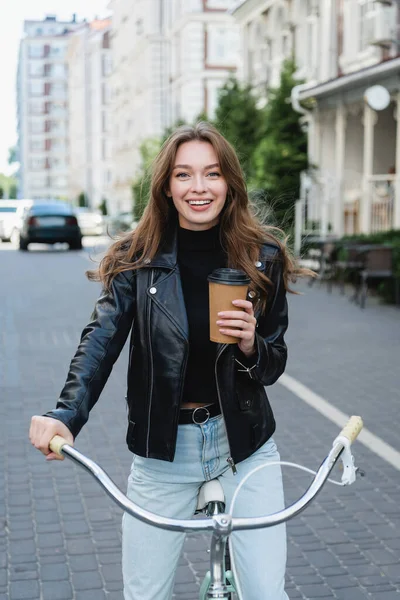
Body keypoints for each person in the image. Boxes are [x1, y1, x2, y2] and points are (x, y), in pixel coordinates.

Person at [29, 122, 301, 600]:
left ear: (229, 183)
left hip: (245, 445)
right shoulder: (137, 257)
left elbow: (273, 364)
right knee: (145, 593)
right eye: (184, 175)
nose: (199, 188)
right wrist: (64, 415)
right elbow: (101, 340)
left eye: (212, 174)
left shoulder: (262, 257)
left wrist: (251, 346)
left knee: (265, 593)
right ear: (167, 187)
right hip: (164, 451)